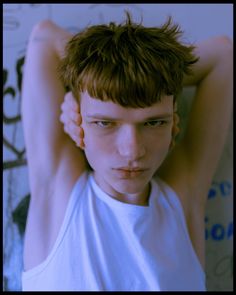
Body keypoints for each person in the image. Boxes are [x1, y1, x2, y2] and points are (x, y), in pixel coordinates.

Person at [21, 12, 233, 291]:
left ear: (173, 123)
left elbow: (224, 55)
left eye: (154, 122)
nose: (132, 150)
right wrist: (91, 81)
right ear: (79, 121)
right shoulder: (58, 194)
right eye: (104, 123)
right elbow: (43, 37)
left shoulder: (181, 200)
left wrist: (154, 74)